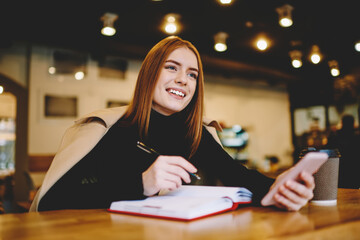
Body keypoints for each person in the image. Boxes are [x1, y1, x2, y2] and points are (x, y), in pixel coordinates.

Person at [30, 36, 314, 212]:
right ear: (149, 74)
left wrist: (279, 187)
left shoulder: (196, 133)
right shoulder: (108, 128)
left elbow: (237, 176)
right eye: (171, 67)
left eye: (192, 75)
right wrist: (141, 183)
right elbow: (52, 199)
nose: (183, 80)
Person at [327, 114, 360, 188]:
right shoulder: (356, 138)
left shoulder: (334, 137)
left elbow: (328, 152)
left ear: (342, 123)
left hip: (339, 170)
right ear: (353, 124)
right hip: (354, 170)